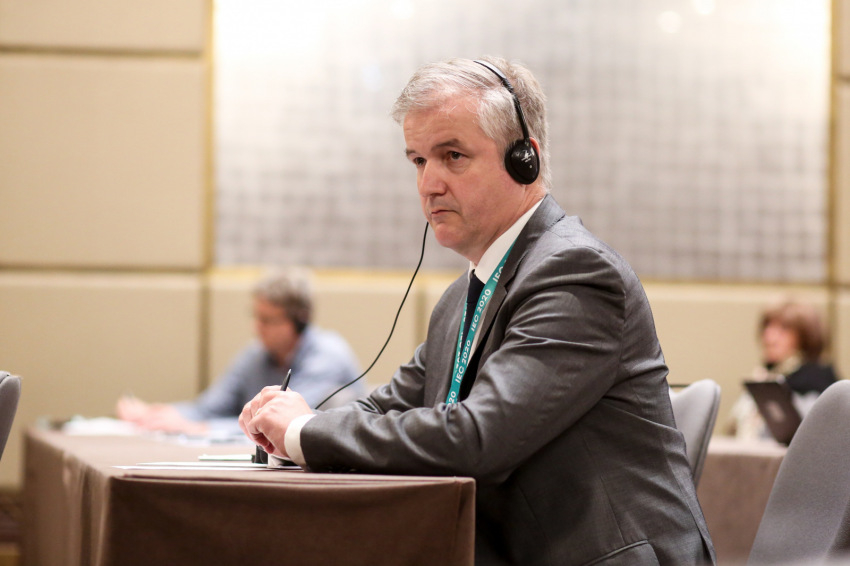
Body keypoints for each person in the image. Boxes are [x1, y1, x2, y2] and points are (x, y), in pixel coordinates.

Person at [239, 57, 715, 565]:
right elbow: (385, 410)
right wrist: (292, 425)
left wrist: (305, 432)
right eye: (418, 161)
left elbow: (478, 438)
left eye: (453, 156)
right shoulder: (460, 299)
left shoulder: (576, 274)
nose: (429, 184)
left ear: (524, 160)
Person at [116, 268, 363, 436]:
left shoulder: (327, 356)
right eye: (256, 316)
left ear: (299, 321)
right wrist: (157, 414)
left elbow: (286, 424)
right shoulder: (255, 355)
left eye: (267, 320)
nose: (257, 328)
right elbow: (209, 407)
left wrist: (201, 429)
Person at [730, 298, 839, 439]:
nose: (769, 338)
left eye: (783, 329)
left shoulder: (817, 384)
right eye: (767, 327)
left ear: (805, 337)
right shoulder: (765, 377)